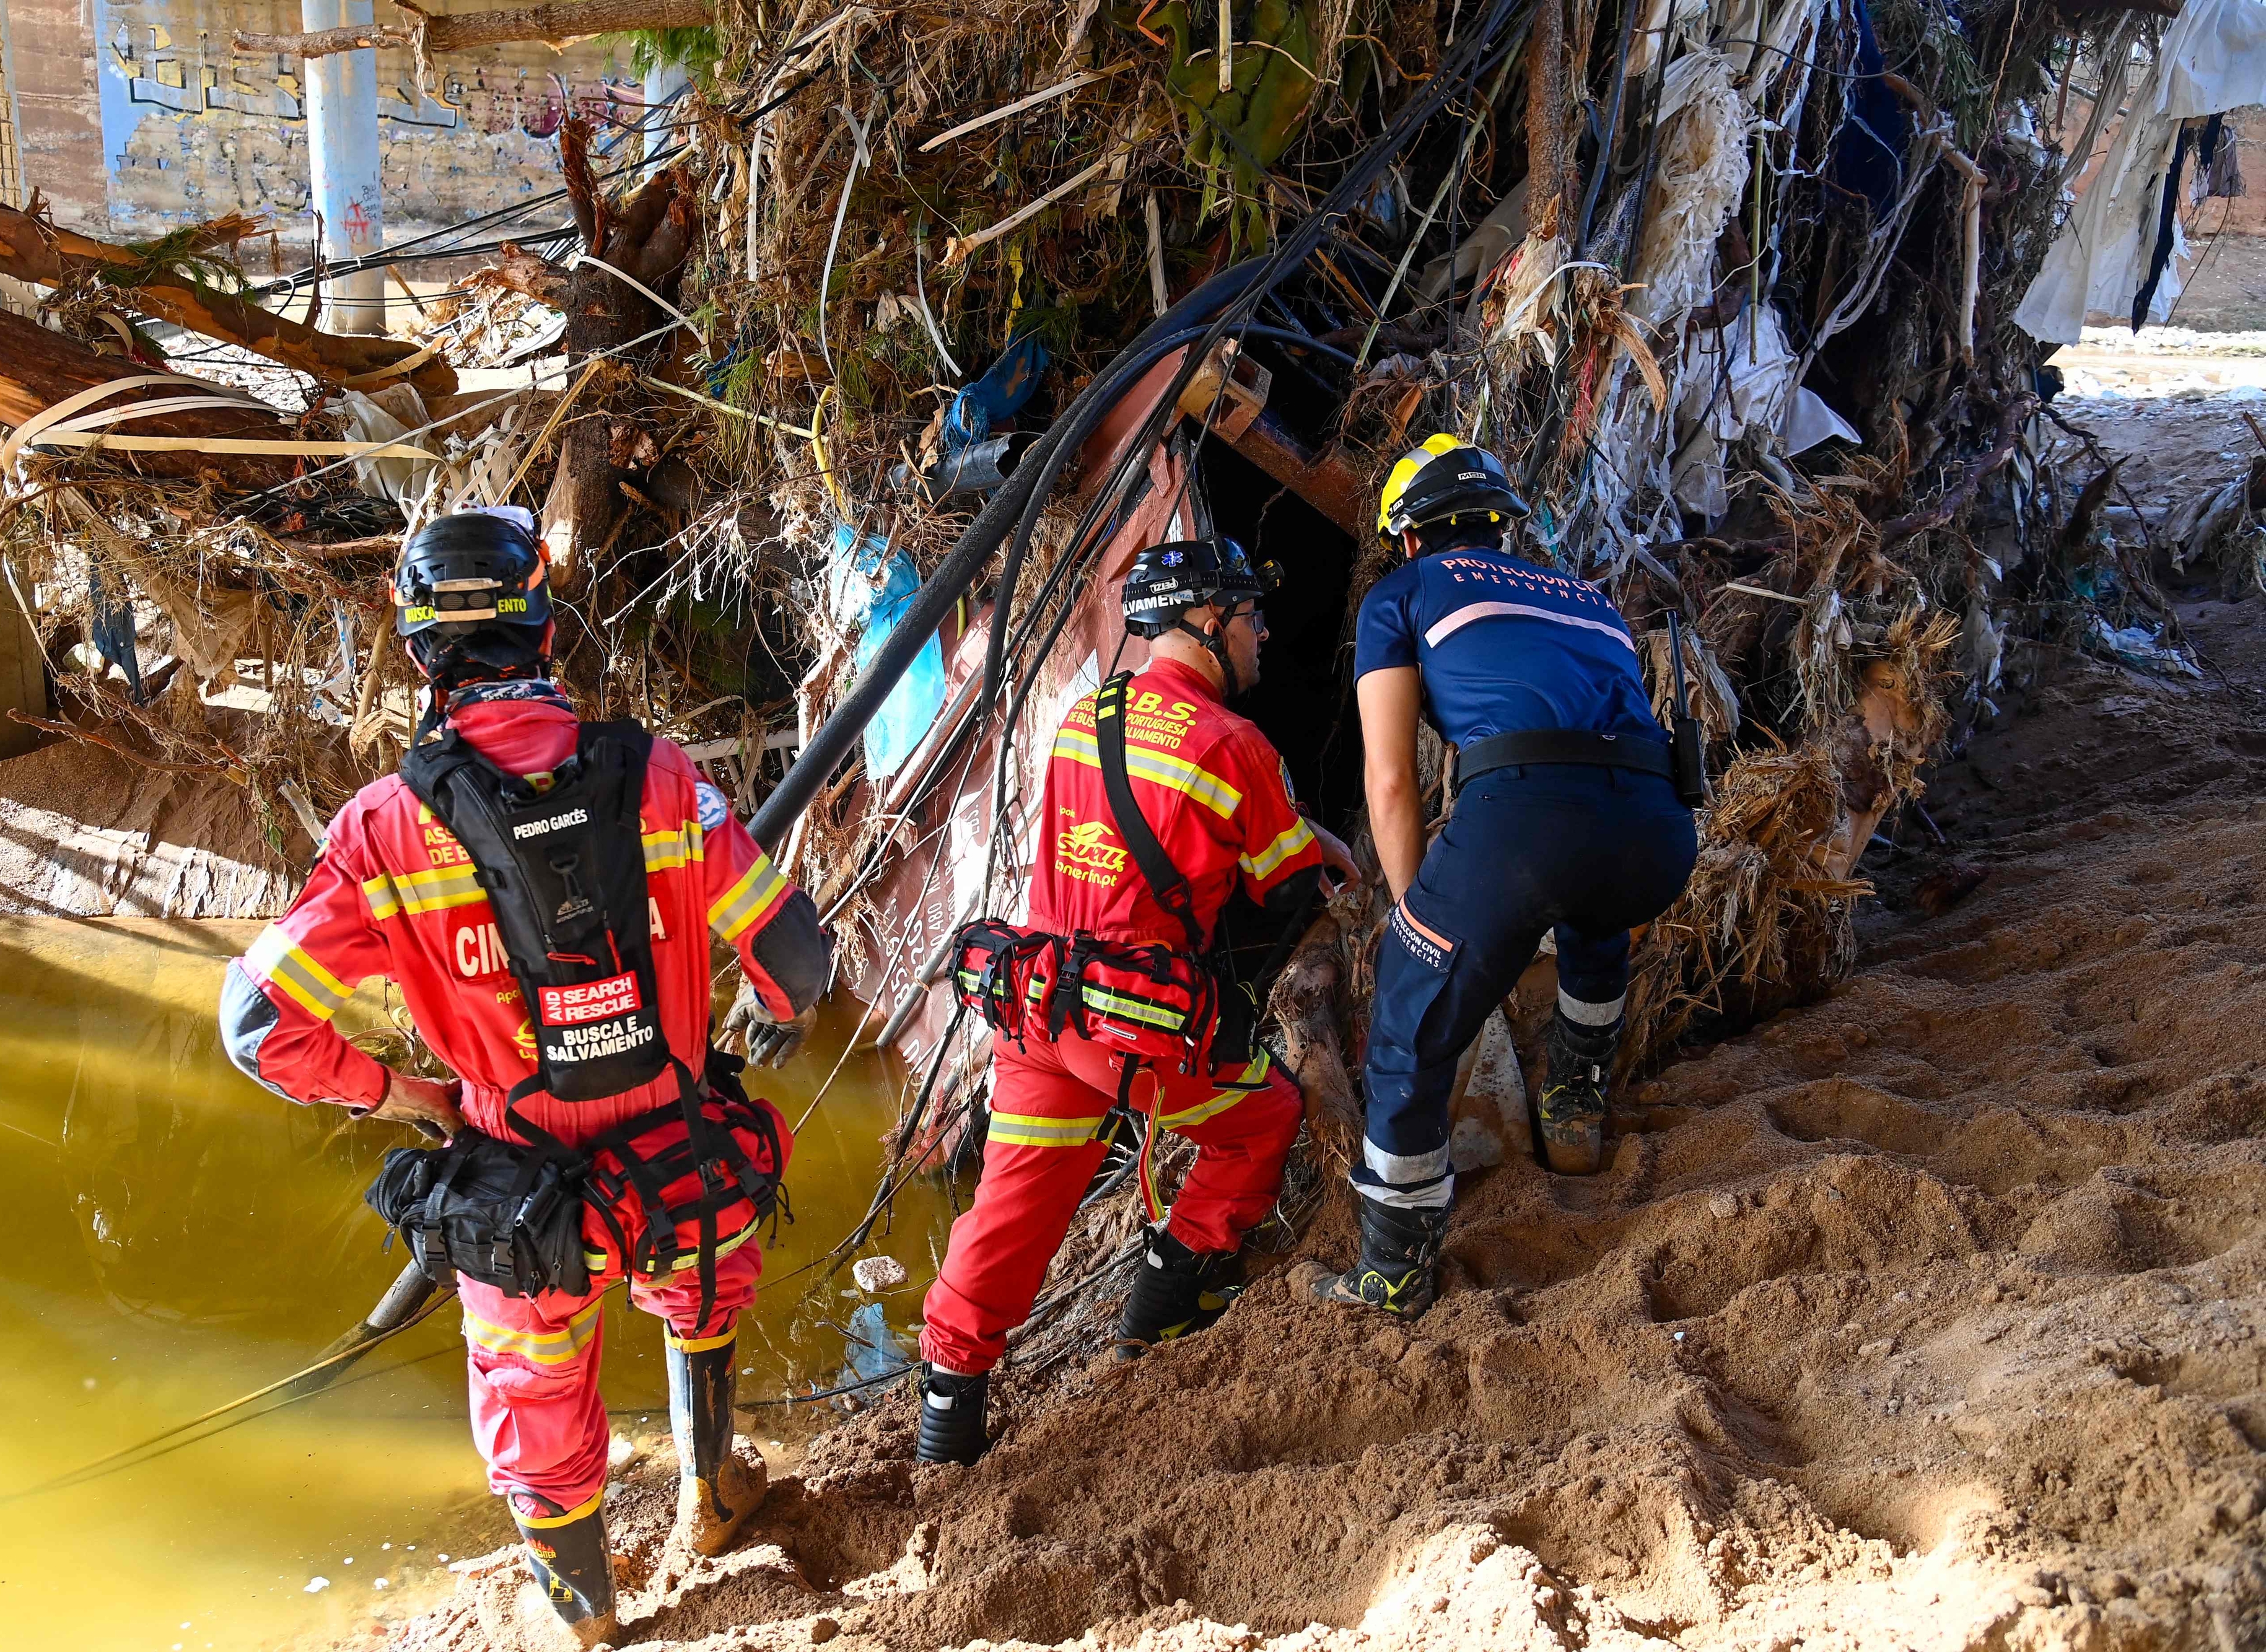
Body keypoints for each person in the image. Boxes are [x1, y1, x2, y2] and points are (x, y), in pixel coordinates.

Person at [219, 509, 832, 1639]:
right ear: (545, 628)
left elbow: (258, 1027)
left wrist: (403, 1096)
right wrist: (741, 1040)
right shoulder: (662, 780)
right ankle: (709, 1497)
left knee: (535, 1399)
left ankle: (589, 1617)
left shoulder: (384, 830)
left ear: (418, 654)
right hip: (676, 1151)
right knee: (700, 1288)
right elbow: (799, 960)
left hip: (518, 1178)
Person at [920, 534, 1356, 1465]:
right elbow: (1287, 888)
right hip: (1136, 1033)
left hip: (1038, 1011)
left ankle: (943, 1427)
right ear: (1207, 621)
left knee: (1008, 1215)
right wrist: (1318, 844)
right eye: (1249, 614)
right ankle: (1161, 1311)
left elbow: (1140, 821)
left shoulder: (1090, 716)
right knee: (1264, 1117)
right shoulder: (1237, 744)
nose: (1265, 632)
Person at [1316, 435, 1699, 1317]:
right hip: (1656, 833)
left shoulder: (1402, 594)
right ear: (1502, 527)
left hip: (1525, 820)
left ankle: (1393, 1270)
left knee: (1409, 1026)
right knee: (1593, 909)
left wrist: (1416, 921)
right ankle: (1574, 1102)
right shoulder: (1587, 599)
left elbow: (1389, 778)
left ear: (1410, 537)